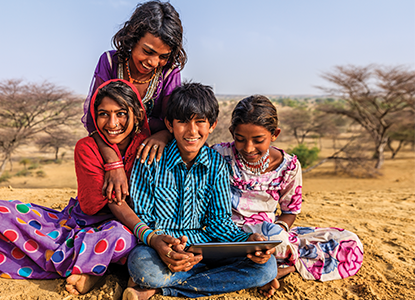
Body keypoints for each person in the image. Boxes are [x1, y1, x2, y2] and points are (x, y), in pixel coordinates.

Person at [0, 79, 179, 296]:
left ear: (137, 114)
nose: (112, 123)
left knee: (122, 238)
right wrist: (113, 163)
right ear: (94, 115)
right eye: (103, 114)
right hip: (80, 221)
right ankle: (94, 266)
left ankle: (86, 265)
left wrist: (159, 138)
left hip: (126, 227)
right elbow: (91, 206)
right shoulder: (87, 147)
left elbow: (173, 136)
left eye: (120, 113)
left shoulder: (147, 144)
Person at [123, 83, 278, 300]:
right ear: (169, 124)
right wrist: (166, 248)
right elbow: (143, 219)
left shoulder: (216, 165)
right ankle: (190, 279)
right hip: (163, 248)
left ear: (212, 125)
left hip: (205, 247)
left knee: (267, 267)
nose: (192, 131)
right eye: (183, 122)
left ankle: (162, 288)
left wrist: (247, 240)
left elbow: (219, 222)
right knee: (142, 266)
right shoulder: (150, 161)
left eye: (200, 122)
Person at [212, 95, 364, 289]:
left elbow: (290, 211)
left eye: (258, 140)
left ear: (275, 134)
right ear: (232, 132)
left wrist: (279, 233)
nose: (248, 148)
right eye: (240, 139)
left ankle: (282, 267)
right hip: (228, 233)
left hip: (269, 235)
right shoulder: (218, 155)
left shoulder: (289, 166)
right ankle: (274, 267)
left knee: (349, 242)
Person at [81, 0, 187, 204]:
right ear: (132, 39)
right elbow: (95, 121)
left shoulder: (169, 72)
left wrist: (163, 136)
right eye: (147, 51)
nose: (153, 62)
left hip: (152, 156)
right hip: (110, 147)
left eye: (163, 56)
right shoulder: (110, 62)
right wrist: (113, 163)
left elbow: (173, 120)